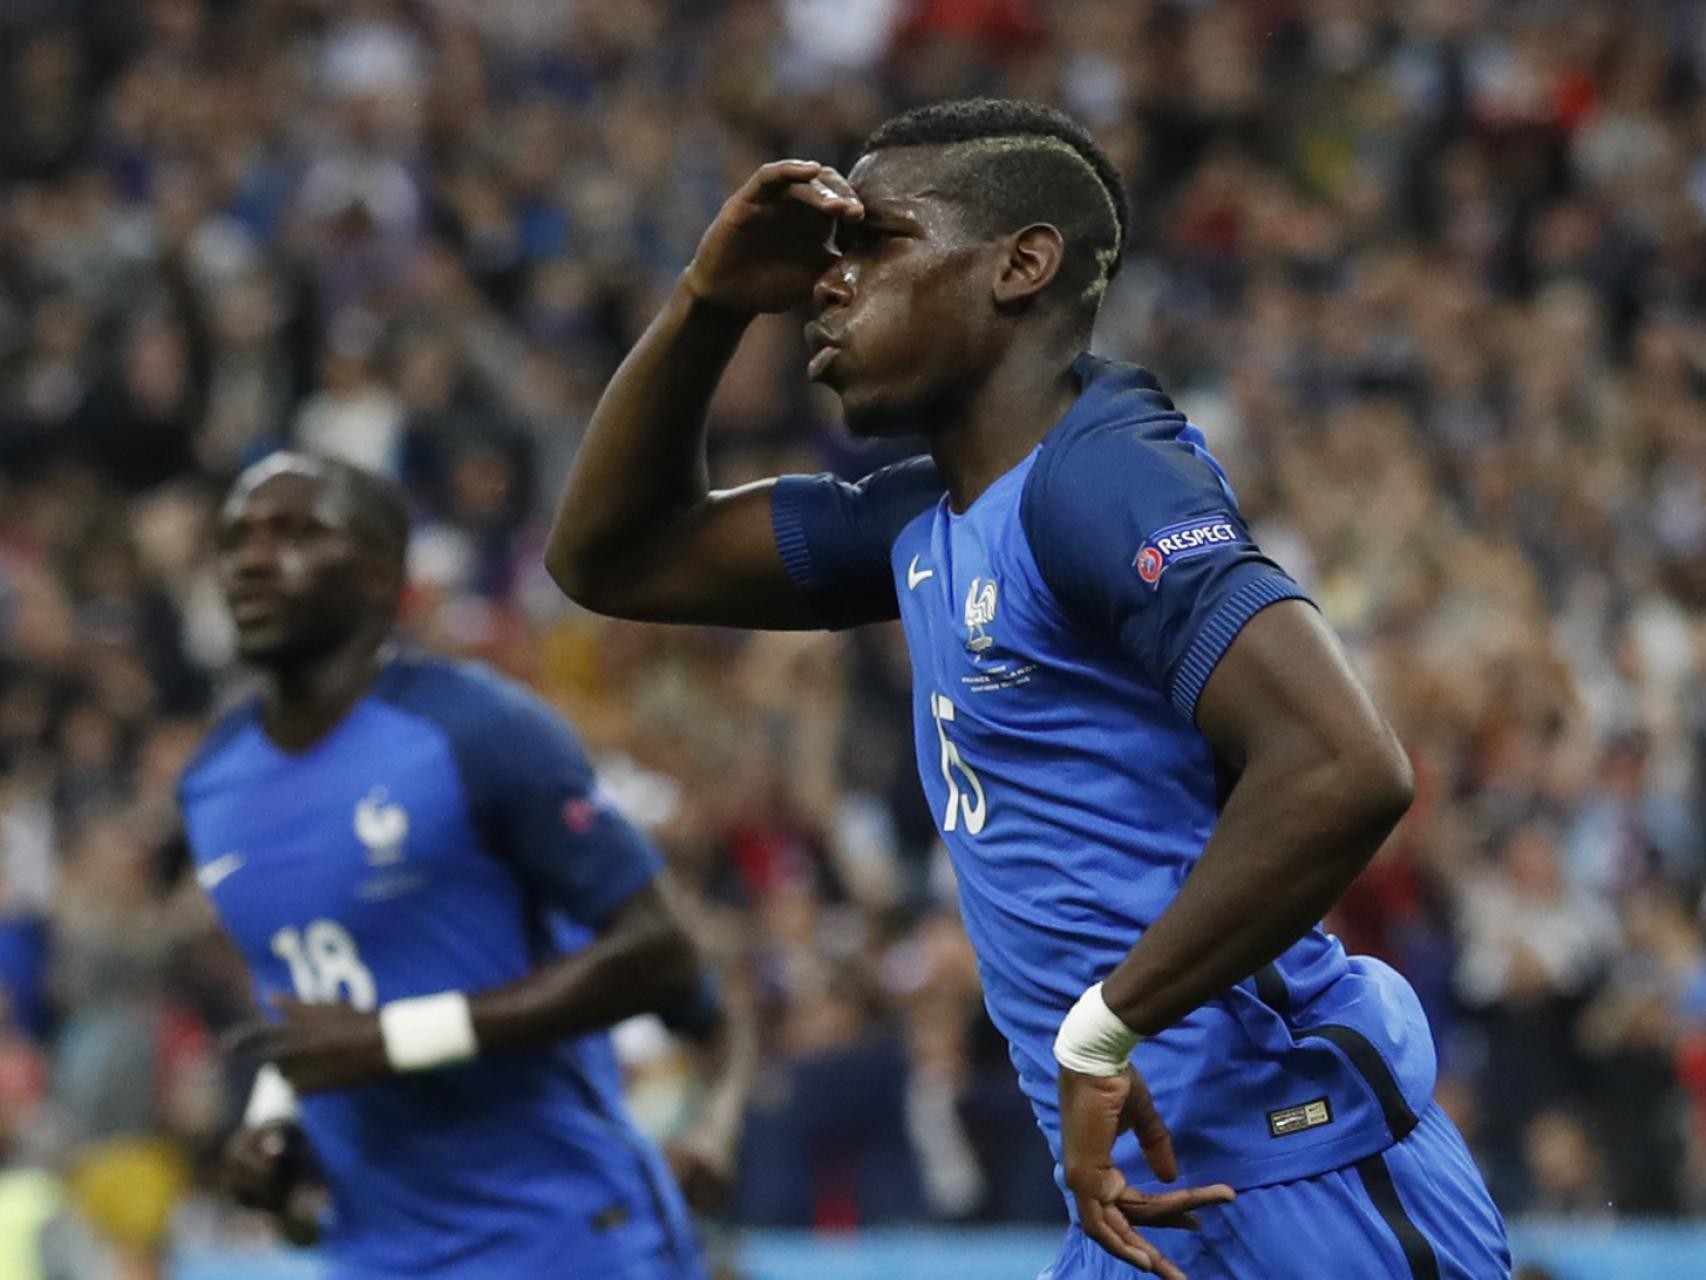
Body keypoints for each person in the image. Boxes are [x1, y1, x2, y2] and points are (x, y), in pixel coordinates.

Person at [546, 98, 1510, 1280]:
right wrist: (707, 298)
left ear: (1021, 264)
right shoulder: (920, 517)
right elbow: (611, 556)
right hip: (1133, 1192)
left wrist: (1106, 1025)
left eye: (877, 242)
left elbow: (1345, 766)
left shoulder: (1098, 477)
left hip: (1295, 1171)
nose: (826, 285)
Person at [178, 452, 750, 1280]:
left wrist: (401, 1041)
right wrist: (276, 1127)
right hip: (373, 1253)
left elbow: (664, 958)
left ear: (384, 573)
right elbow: (311, 988)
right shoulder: (211, 784)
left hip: (566, 1238)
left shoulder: (479, 732)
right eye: (236, 539)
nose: (255, 559)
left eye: (297, 532)